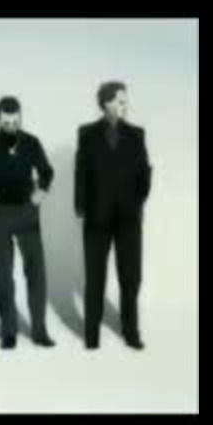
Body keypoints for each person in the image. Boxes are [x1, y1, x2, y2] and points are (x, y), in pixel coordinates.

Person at [0, 96, 55, 350]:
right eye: (6, 123)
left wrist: (42, 191)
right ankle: (9, 332)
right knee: (3, 275)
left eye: (16, 122)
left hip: (27, 213)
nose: (11, 127)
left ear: (20, 118)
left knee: (36, 272)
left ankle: (39, 331)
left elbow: (46, 171)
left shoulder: (31, 142)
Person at [75, 81, 152, 350]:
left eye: (125, 101)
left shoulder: (137, 134)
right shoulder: (86, 133)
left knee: (131, 278)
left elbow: (144, 172)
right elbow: (81, 173)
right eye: (120, 101)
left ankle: (131, 333)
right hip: (96, 218)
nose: (124, 105)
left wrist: (137, 202)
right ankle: (91, 336)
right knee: (95, 278)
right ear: (106, 103)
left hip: (129, 220)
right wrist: (81, 207)